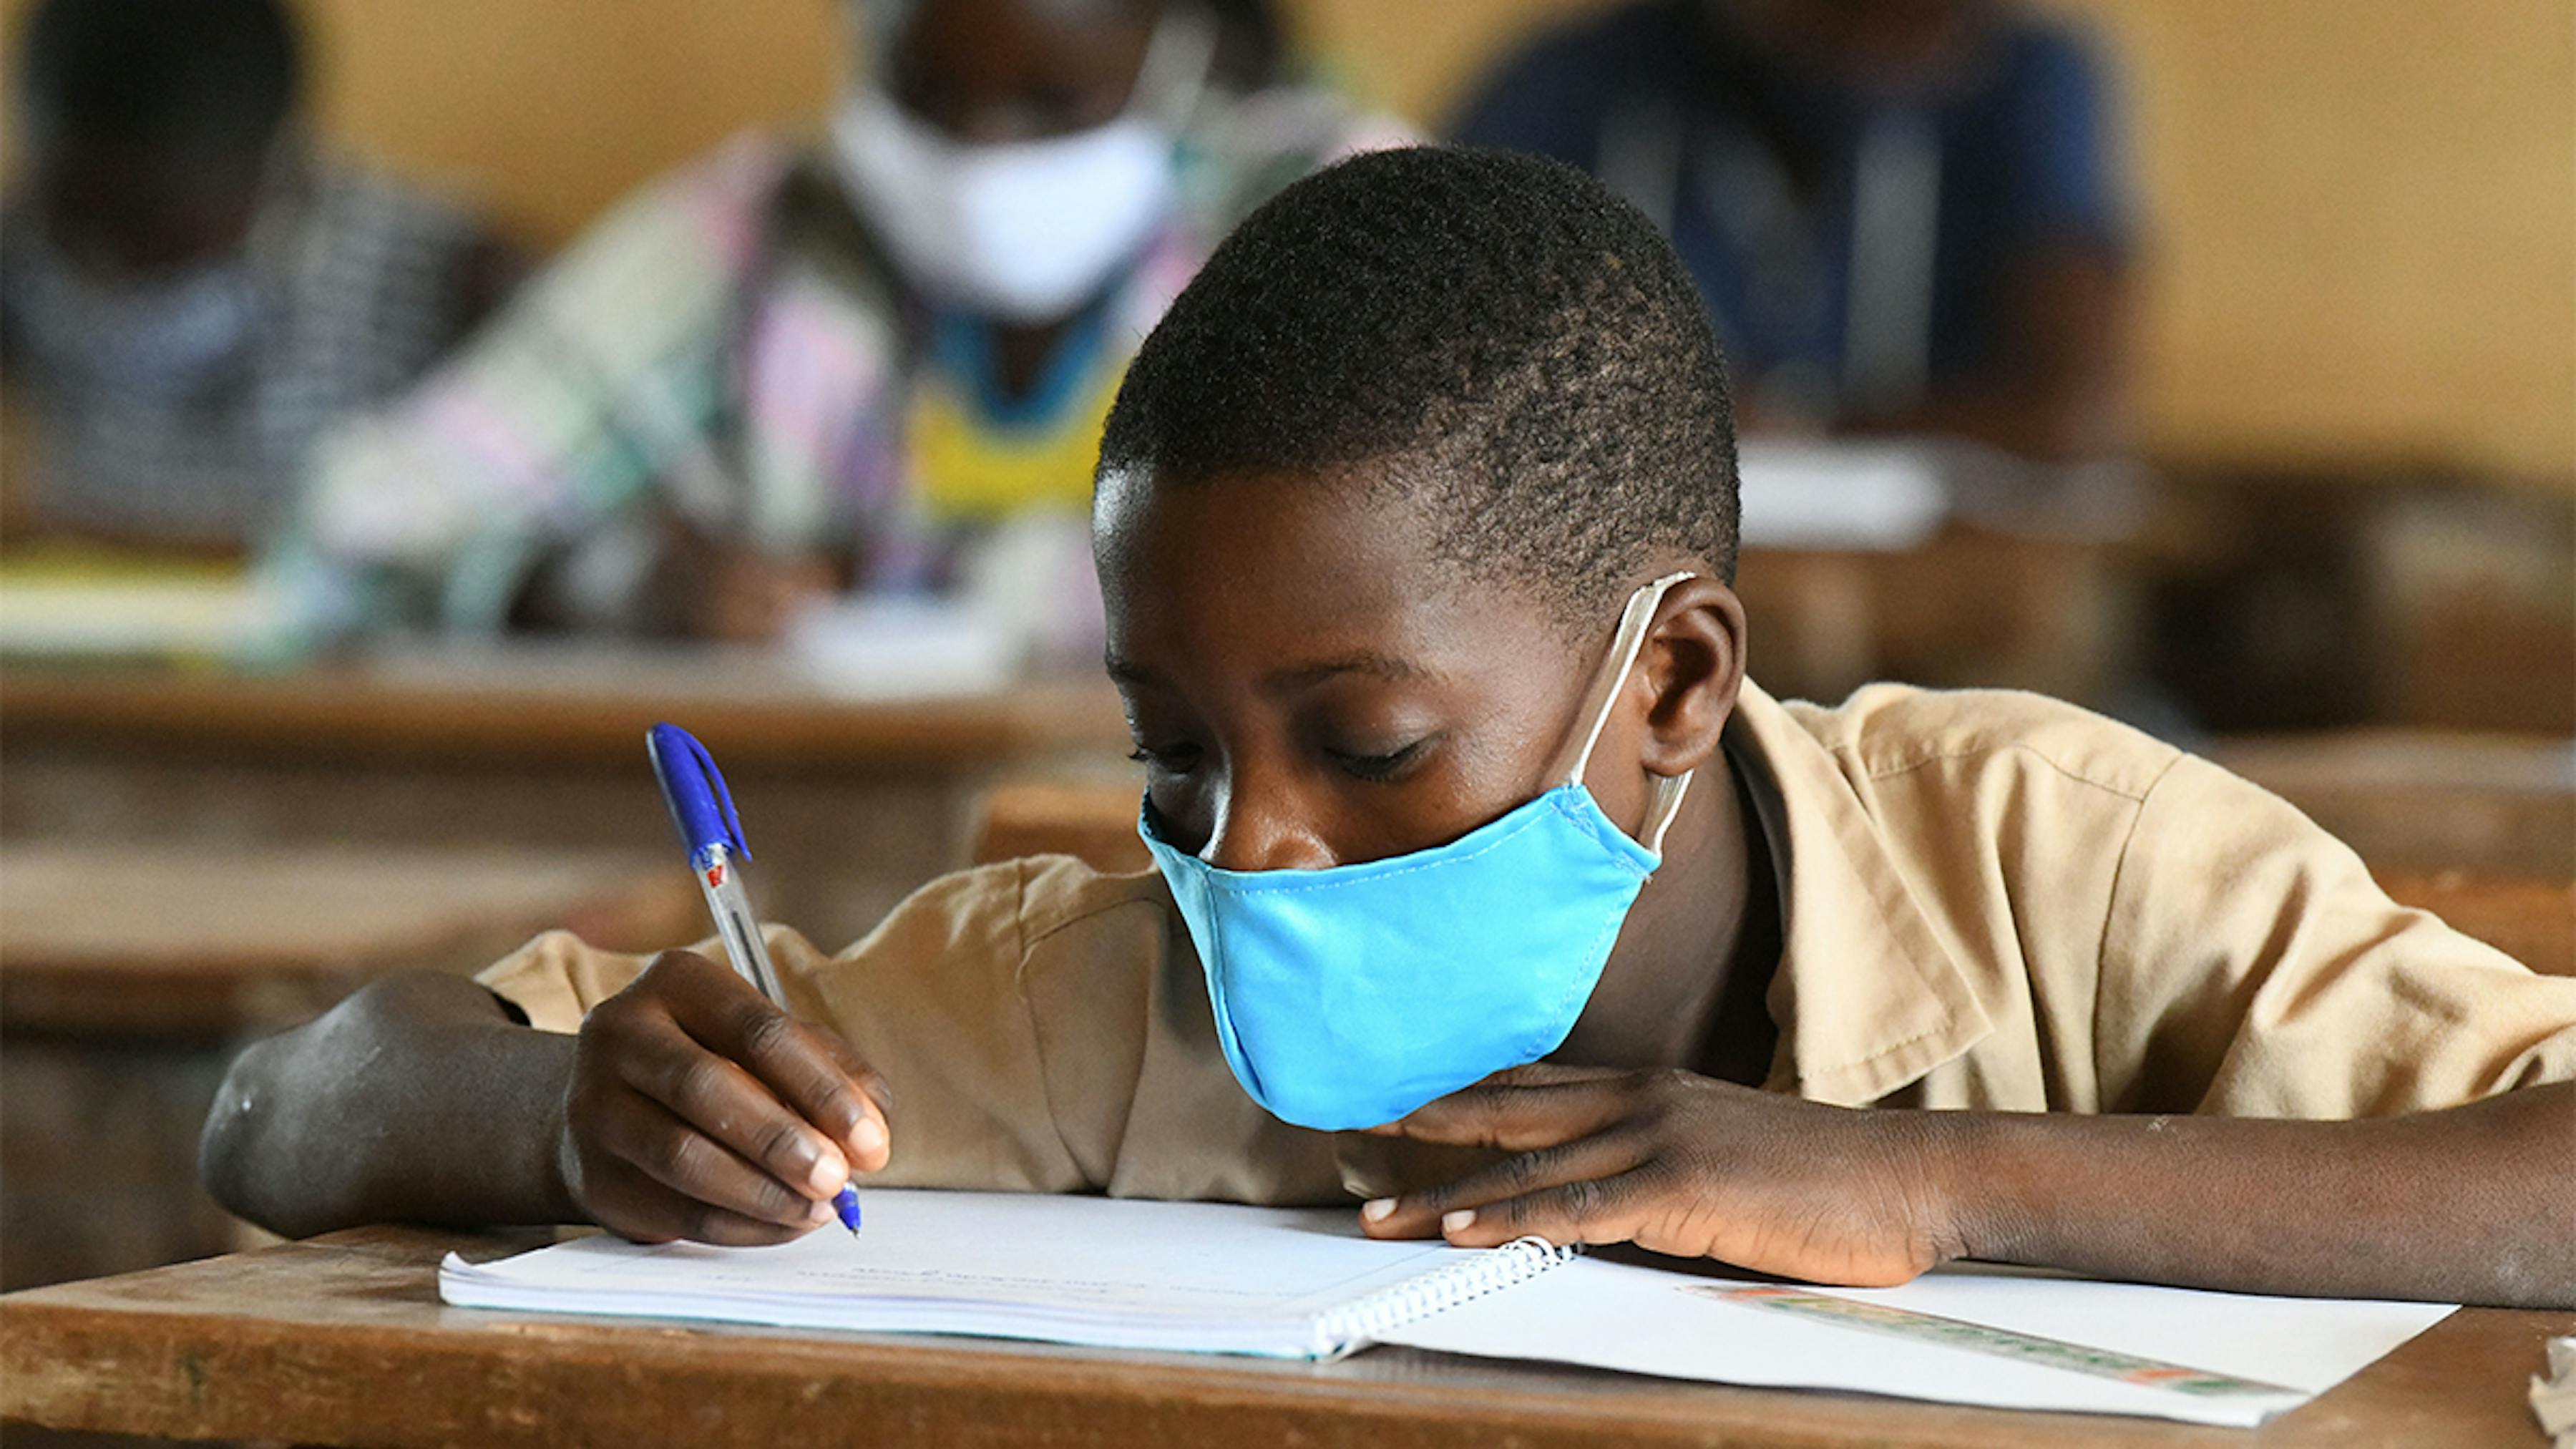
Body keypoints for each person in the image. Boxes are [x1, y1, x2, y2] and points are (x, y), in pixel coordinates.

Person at [200, 148, 2573, 1307]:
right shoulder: (1083, 985)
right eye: (1176, 747)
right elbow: (282, 1103)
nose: (1260, 853)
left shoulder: (2055, 863)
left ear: (1674, 681)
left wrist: (1941, 1178)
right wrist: (567, 1108)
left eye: (1368, 741)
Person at [262, 0, 1395, 648]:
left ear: (1171, 51)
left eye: (1054, 103)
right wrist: (578, 582)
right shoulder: (752, 238)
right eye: (926, 97)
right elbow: (356, 528)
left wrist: (983, 590)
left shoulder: (1336, 231)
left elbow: (1428, 567)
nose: (983, 157)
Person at [1453, 0, 2131, 460]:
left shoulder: (2024, 84)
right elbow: (1455, 383)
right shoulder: (1571, 89)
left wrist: (1789, 430)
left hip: (1936, 586)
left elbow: (2074, 410)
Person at [0, 0, 517, 551]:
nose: (107, 261)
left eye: (143, 228)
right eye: (74, 221)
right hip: (88, 609)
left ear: (262, 167)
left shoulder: (438, 274)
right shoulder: (22, 259)